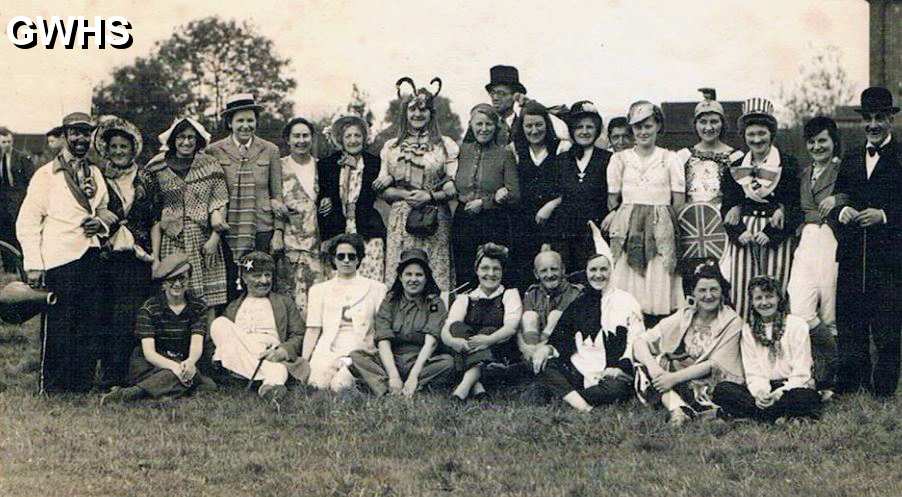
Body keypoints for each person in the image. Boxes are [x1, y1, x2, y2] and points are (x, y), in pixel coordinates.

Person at [17, 112, 117, 394]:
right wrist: (34, 264)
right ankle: (51, 386)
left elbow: (104, 210)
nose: (81, 139)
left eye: (86, 133)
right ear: (64, 136)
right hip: (59, 259)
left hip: (90, 255)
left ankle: (80, 384)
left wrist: (101, 224)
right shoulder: (45, 175)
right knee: (59, 324)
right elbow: (27, 221)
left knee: (88, 322)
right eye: (75, 133)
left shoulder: (95, 173)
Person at [831, 87, 901, 398]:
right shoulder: (850, 158)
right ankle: (852, 384)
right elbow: (837, 200)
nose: (873, 125)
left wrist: (884, 215)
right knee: (850, 323)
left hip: (888, 258)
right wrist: (841, 210)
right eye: (868, 119)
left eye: (880, 118)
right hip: (851, 255)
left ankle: (883, 389)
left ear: (890, 120)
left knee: (886, 327)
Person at [632, 259, 744, 426]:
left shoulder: (731, 321)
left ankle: (686, 407)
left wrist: (672, 379)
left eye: (714, 289)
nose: (708, 295)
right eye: (702, 290)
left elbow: (714, 364)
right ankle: (677, 409)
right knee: (644, 367)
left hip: (709, 380)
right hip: (680, 375)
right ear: (693, 292)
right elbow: (639, 342)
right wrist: (654, 369)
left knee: (708, 392)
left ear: (722, 292)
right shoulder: (686, 315)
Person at [529, 249, 645, 411]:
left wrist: (620, 367)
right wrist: (547, 349)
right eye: (593, 270)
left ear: (612, 271)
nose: (598, 275)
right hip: (580, 370)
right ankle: (583, 405)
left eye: (603, 269)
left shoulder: (626, 301)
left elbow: (636, 339)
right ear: (587, 272)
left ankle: (567, 396)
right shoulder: (580, 303)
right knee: (543, 363)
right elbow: (562, 338)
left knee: (617, 389)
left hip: (613, 374)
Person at [93, 116, 161, 389]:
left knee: (130, 316)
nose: (119, 151)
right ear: (106, 150)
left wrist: (155, 258)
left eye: (124, 146)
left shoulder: (147, 177)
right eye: (114, 147)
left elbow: (155, 220)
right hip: (106, 257)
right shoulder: (97, 177)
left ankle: (128, 375)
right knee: (105, 315)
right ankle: (107, 375)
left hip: (138, 258)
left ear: (133, 149)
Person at [720, 98, 801, 319]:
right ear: (745, 136)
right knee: (743, 290)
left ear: (771, 134)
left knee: (774, 288)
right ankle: (747, 341)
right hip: (745, 234)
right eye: (751, 135)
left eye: (762, 134)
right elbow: (727, 207)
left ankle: (777, 340)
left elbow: (795, 206)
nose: (757, 140)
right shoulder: (736, 167)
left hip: (775, 236)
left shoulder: (787, 164)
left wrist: (771, 232)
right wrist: (739, 232)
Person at [605, 101, 685, 319]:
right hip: (630, 226)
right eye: (638, 127)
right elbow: (613, 199)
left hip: (660, 226)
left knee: (657, 276)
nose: (643, 132)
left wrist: (668, 229)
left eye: (648, 126)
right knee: (629, 283)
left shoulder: (670, 158)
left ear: (658, 126)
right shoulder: (620, 159)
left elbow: (678, 201)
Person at [377, 77, 459, 291]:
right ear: (405, 113)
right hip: (402, 220)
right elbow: (383, 189)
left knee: (434, 274)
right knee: (404, 272)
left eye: (423, 110)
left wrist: (430, 196)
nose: (417, 114)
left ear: (431, 113)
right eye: (412, 109)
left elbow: (453, 186)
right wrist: (404, 195)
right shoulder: (391, 147)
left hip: (434, 218)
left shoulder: (444, 146)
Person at [101, 253, 213, 404]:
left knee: (209, 386)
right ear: (164, 283)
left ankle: (143, 394)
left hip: (182, 359)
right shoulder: (149, 308)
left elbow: (196, 342)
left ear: (189, 280)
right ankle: (138, 393)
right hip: (152, 363)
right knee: (187, 379)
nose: (178, 284)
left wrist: (190, 362)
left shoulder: (198, 306)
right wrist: (175, 368)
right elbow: (149, 353)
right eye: (172, 279)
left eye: (182, 278)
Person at [206, 93, 287, 298]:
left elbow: (277, 195)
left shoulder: (270, 150)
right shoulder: (214, 151)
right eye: (240, 120)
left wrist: (278, 232)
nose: (245, 125)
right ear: (230, 123)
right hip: (228, 229)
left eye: (250, 120)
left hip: (262, 228)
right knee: (230, 286)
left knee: (262, 281)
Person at [148, 118, 230, 318]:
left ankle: (207, 343)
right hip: (171, 240)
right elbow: (154, 215)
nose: (186, 142)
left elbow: (220, 202)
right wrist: (156, 257)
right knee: (174, 293)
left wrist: (214, 240)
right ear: (173, 139)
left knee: (208, 299)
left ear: (199, 140)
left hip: (203, 239)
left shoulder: (210, 164)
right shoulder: (157, 167)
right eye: (181, 137)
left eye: (191, 137)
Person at [713, 276, 822, 422]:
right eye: (758, 298)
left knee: (805, 397)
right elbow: (753, 372)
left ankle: (758, 416)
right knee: (722, 390)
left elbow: (802, 372)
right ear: (752, 302)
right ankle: (777, 415)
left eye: (769, 297)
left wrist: (780, 393)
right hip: (764, 388)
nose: (764, 303)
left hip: (791, 388)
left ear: (779, 298)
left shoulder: (797, 325)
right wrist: (760, 394)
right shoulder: (748, 330)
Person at [786, 116, 842, 395]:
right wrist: (810, 215)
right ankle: (827, 361)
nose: (817, 146)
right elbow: (802, 208)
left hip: (831, 238)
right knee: (800, 307)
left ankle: (829, 378)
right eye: (812, 141)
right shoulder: (804, 173)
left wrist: (838, 200)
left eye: (823, 140)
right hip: (807, 239)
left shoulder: (842, 169)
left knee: (829, 306)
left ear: (833, 142)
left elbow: (855, 194)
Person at [350, 249, 454, 397]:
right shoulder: (390, 301)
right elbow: (383, 341)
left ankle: (388, 387)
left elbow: (431, 343)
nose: (413, 279)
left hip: (421, 361)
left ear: (426, 278)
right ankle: (393, 389)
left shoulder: (435, 302)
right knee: (356, 357)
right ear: (400, 277)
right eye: (408, 274)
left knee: (448, 363)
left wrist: (413, 377)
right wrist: (393, 376)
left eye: (419, 275)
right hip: (392, 360)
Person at [210, 252, 306, 405]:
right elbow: (226, 338)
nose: (264, 281)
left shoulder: (284, 303)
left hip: (271, 354)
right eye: (257, 276)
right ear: (244, 278)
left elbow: (299, 334)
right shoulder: (234, 306)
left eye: (267, 275)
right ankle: (262, 376)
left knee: (277, 369)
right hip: (240, 353)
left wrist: (283, 351)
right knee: (219, 324)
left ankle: (269, 389)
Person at [303, 233, 387, 391]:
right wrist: (304, 362)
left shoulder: (377, 289)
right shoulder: (319, 290)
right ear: (333, 259)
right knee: (317, 385)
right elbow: (313, 330)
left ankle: (356, 379)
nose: (346, 260)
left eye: (352, 256)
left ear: (359, 258)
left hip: (359, 351)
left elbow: (381, 330)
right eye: (341, 256)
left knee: (340, 386)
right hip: (327, 350)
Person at [441, 243, 522, 401]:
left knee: (489, 329)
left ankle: (463, 388)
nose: (490, 274)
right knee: (456, 327)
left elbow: (511, 328)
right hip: (468, 349)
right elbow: (447, 328)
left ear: (502, 271)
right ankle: (477, 386)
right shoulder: (465, 297)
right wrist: (453, 341)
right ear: (477, 270)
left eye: (496, 269)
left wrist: (488, 340)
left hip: (497, 349)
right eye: (485, 268)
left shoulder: (509, 294)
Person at [452, 103, 520, 287]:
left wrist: (485, 202)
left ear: (495, 126)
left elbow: (514, 194)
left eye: (488, 124)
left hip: (493, 221)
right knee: (464, 272)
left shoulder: (504, 154)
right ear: (471, 124)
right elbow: (449, 178)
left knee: (491, 272)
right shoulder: (462, 151)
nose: (483, 129)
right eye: (479, 124)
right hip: (463, 220)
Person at [541, 101, 612, 273]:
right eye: (579, 126)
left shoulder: (608, 159)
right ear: (572, 130)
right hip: (565, 237)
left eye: (590, 126)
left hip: (595, 235)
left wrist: (614, 213)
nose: (584, 131)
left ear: (597, 129)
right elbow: (555, 195)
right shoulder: (561, 160)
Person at [507, 101, 569, 289]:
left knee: (552, 272)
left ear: (547, 125)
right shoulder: (515, 149)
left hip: (554, 220)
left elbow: (570, 188)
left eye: (538, 125)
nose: (534, 130)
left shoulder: (561, 148)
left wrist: (551, 205)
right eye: (529, 126)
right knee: (525, 275)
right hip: (523, 222)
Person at [318, 114, 387, 282]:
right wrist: (323, 199)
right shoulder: (327, 164)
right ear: (341, 139)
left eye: (357, 135)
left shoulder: (375, 163)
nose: (353, 140)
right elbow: (321, 191)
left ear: (364, 138)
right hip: (337, 228)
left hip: (367, 229)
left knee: (370, 280)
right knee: (339, 279)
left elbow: (387, 187)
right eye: (348, 136)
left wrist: (388, 179)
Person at [275, 117, 323, 317]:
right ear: (288, 139)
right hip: (289, 243)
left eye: (305, 135)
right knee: (290, 297)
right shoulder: (278, 166)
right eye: (296, 136)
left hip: (317, 244)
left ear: (312, 138)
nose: (301, 140)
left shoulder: (322, 166)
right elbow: (270, 196)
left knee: (317, 298)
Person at [517, 247, 582, 360]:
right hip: (531, 349)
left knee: (556, 315)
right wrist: (524, 347)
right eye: (543, 271)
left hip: (561, 350)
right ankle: (531, 358)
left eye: (554, 269)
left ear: (563, 270)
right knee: (529, 316)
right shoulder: (532, 293)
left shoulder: (576, 293)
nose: (549, 274)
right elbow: (519, 328)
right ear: (536, 274)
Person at [675, 90, 736, 207]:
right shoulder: (683, 156)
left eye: (714, 121)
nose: (708, 127)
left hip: (723, 220)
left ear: (722, 124)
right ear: (695, 124)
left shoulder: (735, 157)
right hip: (690, 221)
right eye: (703, 122)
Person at [484, 65, 569, 142]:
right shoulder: (485, 125)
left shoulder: (526, 124)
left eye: (501, 93)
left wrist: (529, 104)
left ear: (515, 95)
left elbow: (563, 134)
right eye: (492, 93)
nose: (495, 98)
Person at [0, 126, 35, 273]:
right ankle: (9, 269)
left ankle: (24, 268)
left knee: (19, 234)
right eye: (3, 142)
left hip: (18, 202)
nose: (7, 145)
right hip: (2, 204)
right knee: (4, 235)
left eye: (9, 141)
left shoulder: (22, 157)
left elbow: (31, 182)